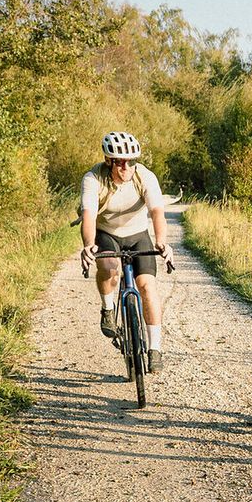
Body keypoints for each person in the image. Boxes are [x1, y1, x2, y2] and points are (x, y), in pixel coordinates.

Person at [79, 131, 173, 370]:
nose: (126, 167)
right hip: (107, 233)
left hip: (138, 234)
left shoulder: (145, 177)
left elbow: (157, 212)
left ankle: (155, 349)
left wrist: (162, 241)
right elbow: (88, 215)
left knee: (147, 287)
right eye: (120, 162)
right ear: (109, 161)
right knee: (109, 268)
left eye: (131, 161)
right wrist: (89, 244)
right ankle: (107, 308)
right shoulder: (93, 178)